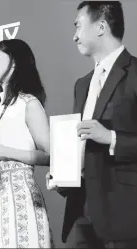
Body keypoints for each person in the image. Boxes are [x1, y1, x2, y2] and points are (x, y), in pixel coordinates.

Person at [47, 1, 137, 248]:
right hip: (81, 210)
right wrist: (63, 176)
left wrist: (112, 138)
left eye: (78, 26)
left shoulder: (135, 72)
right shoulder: (82, 84)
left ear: (101, 26)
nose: (74, 36)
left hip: (125, 213)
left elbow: (107, 138)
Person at [0, 39, 52, 248]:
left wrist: (3, 151)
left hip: (21, 199)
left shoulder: (29, 103)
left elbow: (50, 155)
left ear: (14, 63)